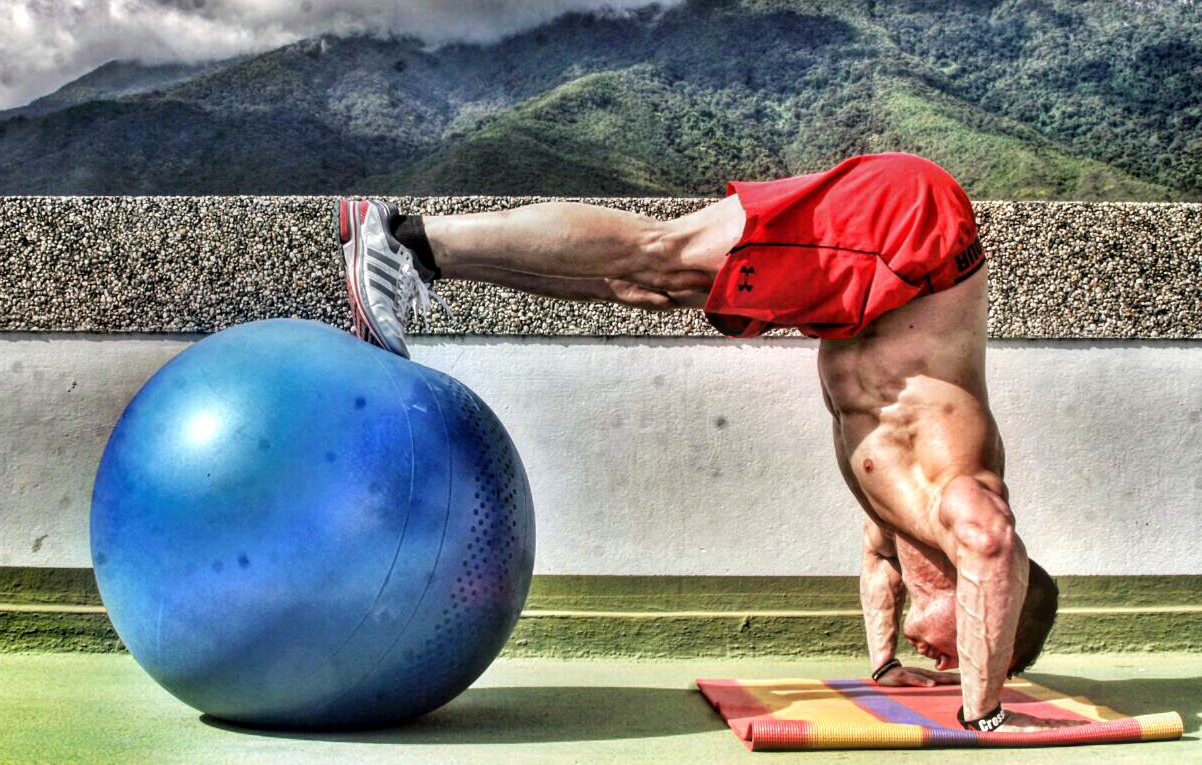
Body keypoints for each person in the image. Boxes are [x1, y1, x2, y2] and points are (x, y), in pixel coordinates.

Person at [337, 152, 1082, 734]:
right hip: (913, 243)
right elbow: (991, 544)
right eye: (969, 654)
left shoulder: (910, 527)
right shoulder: (967, 508)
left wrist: (885, 664)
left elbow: (879, 565)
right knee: (662, 255)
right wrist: (984, 707)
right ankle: (407, 237)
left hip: (875, 289)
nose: (948, 664)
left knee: (643, 286)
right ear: (1004, 608)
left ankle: (420, 254)